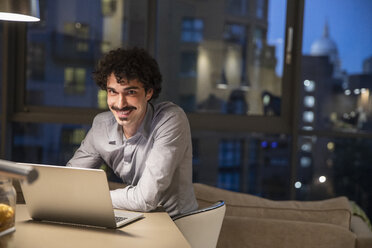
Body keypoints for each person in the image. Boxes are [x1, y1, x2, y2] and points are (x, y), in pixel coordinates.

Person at [67, 47, 198, 217]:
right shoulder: (101, 126)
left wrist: (91, 198)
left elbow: (145, 199)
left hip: (177, 223)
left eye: (130, 92)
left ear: (149, 92)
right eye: (112, 92)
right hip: (137, 216)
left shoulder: (170, 119)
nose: (120, 104)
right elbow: (71, 179)